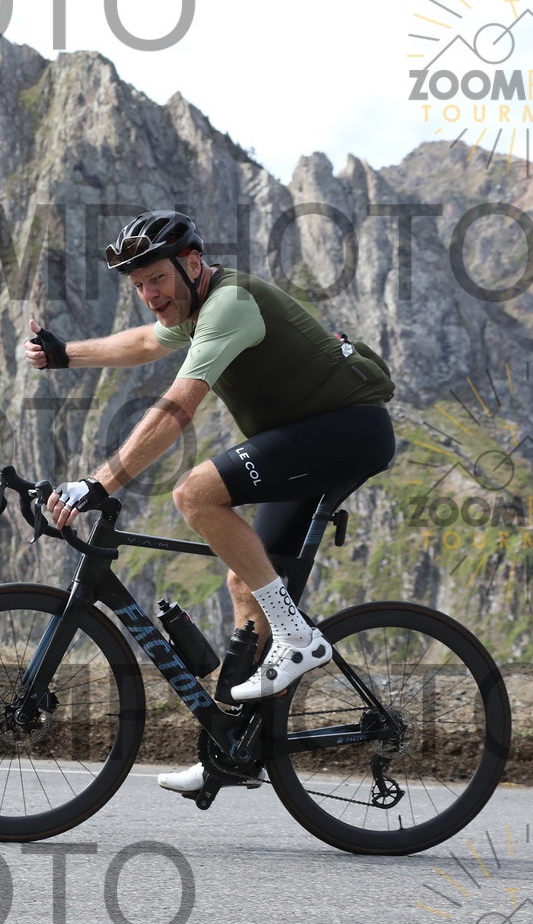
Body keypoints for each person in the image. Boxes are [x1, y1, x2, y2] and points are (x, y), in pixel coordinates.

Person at [21, 209, 397, 795]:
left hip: (348, 430)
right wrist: (65, 353)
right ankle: (234, 745)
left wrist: (98, 484)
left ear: (192, 264)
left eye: (157, 279)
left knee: (194, 493)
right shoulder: (193, 308)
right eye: (138, 285)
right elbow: (144, 342)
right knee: (247, 582)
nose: (149, 294)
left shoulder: (228, 305)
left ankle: (297, 638)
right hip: (309, 441)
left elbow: (177, 408)